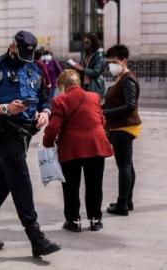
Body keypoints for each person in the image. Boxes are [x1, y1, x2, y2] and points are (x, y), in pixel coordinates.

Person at [0, 30, 61, 257]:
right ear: (12, 47)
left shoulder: (34, 67)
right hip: (5, 131)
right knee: (20, 179)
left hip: (26, 133)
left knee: (4, 180)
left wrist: (45, 113)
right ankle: (35, 236)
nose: (25, 60)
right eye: (21, 54)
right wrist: (4, 108)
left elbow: (44, 96)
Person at [43, 69, 113, 232]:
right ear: (78, 83)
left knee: (71, 187)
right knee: (95, 184)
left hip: (71, 148)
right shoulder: (94, 97)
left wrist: (47, 144)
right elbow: (101, 119)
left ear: (63, 85)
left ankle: (74, 221)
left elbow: (53, 128)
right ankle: (95, 220)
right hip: (96, 145)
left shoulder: (60, 100)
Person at [103, 44, 142, 216]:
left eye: (113, 62)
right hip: (121, 125)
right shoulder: (121, 78)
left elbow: (130, 105)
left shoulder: (128, 79)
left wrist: (105, 112)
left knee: (124, 166)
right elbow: (115, 102)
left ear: (123, 61)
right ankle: (128, 200)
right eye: (109, 62)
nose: (110, 65)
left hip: (124, 127)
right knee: (128, 165)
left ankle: (122, 204)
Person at [69, 33, 106, 99]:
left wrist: (82, 68)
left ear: (93, 43)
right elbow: (84, 68)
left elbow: (96, 72)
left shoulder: (99, 56)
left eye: (87, 42)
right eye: (84, 42)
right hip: (84, 85)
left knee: (92, 107)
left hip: (94, 87)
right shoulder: (88, 54)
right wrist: (76, 66)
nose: (85, 44)